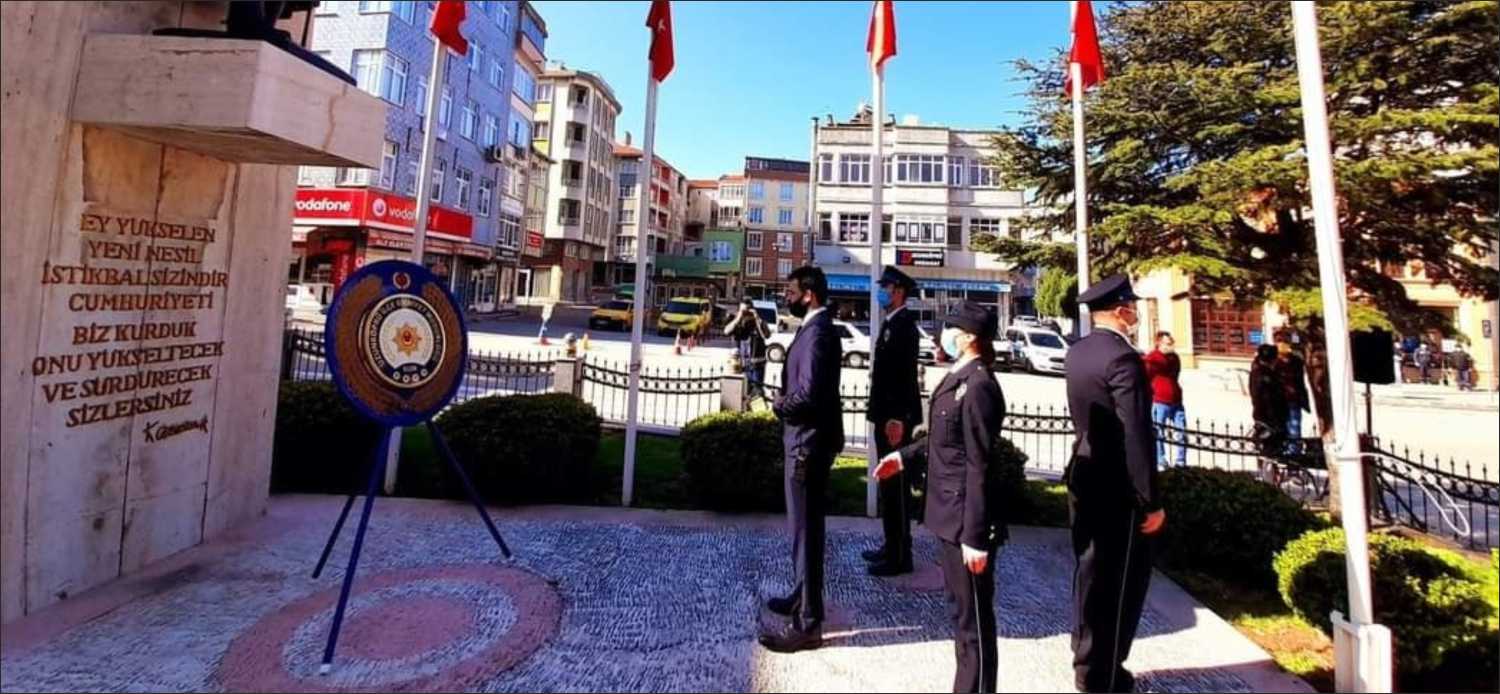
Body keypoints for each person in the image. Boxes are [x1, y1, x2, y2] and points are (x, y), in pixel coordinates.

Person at [874, 301, 1006, 693]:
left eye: (949, 329)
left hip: (966, 521)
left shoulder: (979, 384)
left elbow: (979, 463)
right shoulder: (960, 377)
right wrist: (903, 457)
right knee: (961, 616)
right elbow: (944, 441)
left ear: (968, 338)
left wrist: (976, 536)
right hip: (950, 515)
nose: (941, 336)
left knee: (973, 624)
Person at [1063, 275, 1164, 694]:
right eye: (1132, 307)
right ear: (1121, 309)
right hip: (1117, 486)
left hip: (1083, 474)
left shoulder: (1078, 352)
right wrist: (1150, 499)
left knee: (1087, 573)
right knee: (1119, 582)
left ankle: (1084, 656)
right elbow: (1136, 433)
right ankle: (1102, 672)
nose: (1135, 313)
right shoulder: (1123, 359)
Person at [763, 265, 844, 653]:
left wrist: (780, 405)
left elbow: (808, 395)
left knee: (806, 533)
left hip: (807, 446)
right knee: (802, 530)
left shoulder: (817, 333)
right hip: (807, 442)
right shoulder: (815, 327)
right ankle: (801, 596)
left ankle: (809, 623)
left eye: (791, 291)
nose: (787, 297)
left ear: (809, 294)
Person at [864, 266, 924, 577]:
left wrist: (898, 419)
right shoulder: (892, 324)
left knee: (896, 488)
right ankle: (890, 546)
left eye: (885, 286)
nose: (881, 291)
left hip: (894, 422)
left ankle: (900, 556)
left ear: (898, 290)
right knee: (888, 486)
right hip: (886, 417)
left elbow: (903, 380)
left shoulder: (903, 327)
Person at [1143, 331, 1186, 468]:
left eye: (1171, 342)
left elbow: (1176, 373)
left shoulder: (1174, 358)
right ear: (1159, 343)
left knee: (1182, 431)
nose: (1170, 345)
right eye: (1167, 343)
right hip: (1160, 400)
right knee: (1158, 432)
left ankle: (1181, 461)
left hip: (1176, 400)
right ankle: (1160, 458)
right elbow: (1146, 377)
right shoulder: (1152, 359)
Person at [1249, 344, 1289, 459]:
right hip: (1269, 419)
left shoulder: (1259, 371)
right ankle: (1268, 472)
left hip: (1264, 416)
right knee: (1270, 450)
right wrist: (1274, 421)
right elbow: (1267, 399)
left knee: (1268, 449)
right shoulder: (1265, 376)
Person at [725, 298, 771, 398]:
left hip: (756, 365)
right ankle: (743, 412)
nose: (746, 314)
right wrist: (739, 317)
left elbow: (766, 335)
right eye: (743, 311)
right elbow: (726, 331)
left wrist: (757, 318)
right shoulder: (738, 322)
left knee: (757, 394)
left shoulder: (758, 323)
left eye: (748, 310)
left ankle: (756, 413)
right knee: (740, 394)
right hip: (740, 365)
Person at [1275, 334, 1310, 454]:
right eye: (1280, 341)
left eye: (1285, 342)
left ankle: (1294, 452)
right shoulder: (1273, 360)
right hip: (1278, 400)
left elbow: (1300, 381)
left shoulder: (1296, 361)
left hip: (1293, 399)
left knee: (1294, 428)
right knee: (1281, 427)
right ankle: (1284, 450)